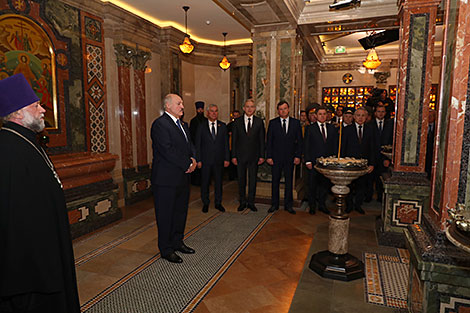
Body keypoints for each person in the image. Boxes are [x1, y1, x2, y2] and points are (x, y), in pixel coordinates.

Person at [0, 73, 80, 313]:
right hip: (32, 268)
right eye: (36, 105)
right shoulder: (8, 150)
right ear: (17, 113)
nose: (43, 109)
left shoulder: (28, 140)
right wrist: (42, 265)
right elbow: (14, 217)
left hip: (46, 250)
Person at [151, 94, 197, 264]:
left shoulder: (183, 125)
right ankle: (166, 249)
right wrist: (187, 163)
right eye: (179, 103)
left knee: (180, 213)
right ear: (168, 106)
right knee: (166, 215)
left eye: (182, 103)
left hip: (182, 178)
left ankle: (178, 242)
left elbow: (190, 145)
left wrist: (194, 159)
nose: (182, 106)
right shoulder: (160, 125)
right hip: (165, 180)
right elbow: (167, 150)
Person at [266, 101, 303, 214]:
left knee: (289, 182)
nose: (283, 111)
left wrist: (298, 156)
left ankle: (288, 205)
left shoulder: (296, 123)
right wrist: (269, 156)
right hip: (276, 158)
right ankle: (274, 204)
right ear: (278, 111)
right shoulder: (273, 123)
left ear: (289, 109)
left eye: (285, 108)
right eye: (281, 109)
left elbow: (300, 142)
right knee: (275, 182)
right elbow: (269, 142)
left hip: (290, 158)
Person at [231, 99, 265, 212]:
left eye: (252, 107)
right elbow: (234, 140)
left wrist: (261, 155)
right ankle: (242, 202)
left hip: (254, 156)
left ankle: (251, 202)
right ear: (244, 108)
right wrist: (233, 156)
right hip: (240, 156)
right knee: (241, 180)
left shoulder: (259, 122)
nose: (249, 109)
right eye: (247, 106)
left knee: (252, 180)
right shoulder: (237, 122)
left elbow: (261, 140)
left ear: (254, 109)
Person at [195, 104, 230, 213]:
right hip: (205, 161)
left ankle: (218, 203)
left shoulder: (223, 126)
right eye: (212, 111)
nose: (214, 113)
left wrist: (226, 159)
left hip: (219, 161)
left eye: (216, 111)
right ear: (207, 113)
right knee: (205, 182)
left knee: (219, 182)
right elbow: (198, 144)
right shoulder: (201, 126)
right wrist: (198, 159)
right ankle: (205, 202)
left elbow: (226, 144)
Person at [341, 107, 376, 214]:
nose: (360, 118)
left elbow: (373, 148)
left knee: (362, 185)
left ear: (366, 117)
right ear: (354, 117)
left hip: (364, 164)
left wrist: (372, 164)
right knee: (350, 185)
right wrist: (342, 163)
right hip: (349, 164)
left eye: (363, 116)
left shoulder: (371, 130)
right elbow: (342, 148)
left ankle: (358, 205)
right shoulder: (347, 130)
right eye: (358, 115)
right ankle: (349, 205)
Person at [304, 106, 339, 214]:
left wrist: (334, 160)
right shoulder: (310, 128)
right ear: (316, 115)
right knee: (312, 184)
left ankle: (322, 205)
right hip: (314, 162)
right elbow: (306, 146)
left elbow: (335, 145)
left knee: (324, 185)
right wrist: (308, 160)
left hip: (327, 163)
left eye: (324, 114)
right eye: (320, 114)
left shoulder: (332, 128)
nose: (322, 116)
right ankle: (312, 205)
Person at [367, 105, 394, 202]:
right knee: (369, 179)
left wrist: (386, 158)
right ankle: (367, 197)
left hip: (384, 158)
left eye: (382, 111)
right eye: (378, 111)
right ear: (375, 113)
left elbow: (390, 142)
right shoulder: (369, 125)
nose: (380, 113)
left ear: (385, 113)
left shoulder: (390, 125)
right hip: (371, 156)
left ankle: (380, 197)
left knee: (381, 179)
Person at [189, 101, 206, 186]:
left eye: (201, 109)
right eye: (198, 109)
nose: (200, 111)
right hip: (196, 146)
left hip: (205, 146)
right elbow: (191, 134)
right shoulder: (193, 121)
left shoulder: (206, 121)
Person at [227, 110, 240, 180]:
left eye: (237, 116)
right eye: (234, 116)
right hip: (231, 147)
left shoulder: (241, 125)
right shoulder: (229, 125)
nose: (236, 118)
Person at [425, 109, 437, 178]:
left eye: (431, 116)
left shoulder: (437, 128)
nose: (429, 118)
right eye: (428, 116)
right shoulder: (422, 127)